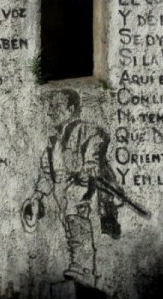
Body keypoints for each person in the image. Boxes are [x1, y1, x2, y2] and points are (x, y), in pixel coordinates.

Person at [22, 89, 121, 288]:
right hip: (62, 189)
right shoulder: (53, 143)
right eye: (51, 107)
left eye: (57, 107)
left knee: (76, 218)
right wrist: (38, 195)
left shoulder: (84, 129)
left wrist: (90, 163)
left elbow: (99, 139)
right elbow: (46, 173)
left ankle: (83, 269)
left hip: (82, 185)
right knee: (69, 225)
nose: (51, 112)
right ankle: (78, 266)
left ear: (71, 109)